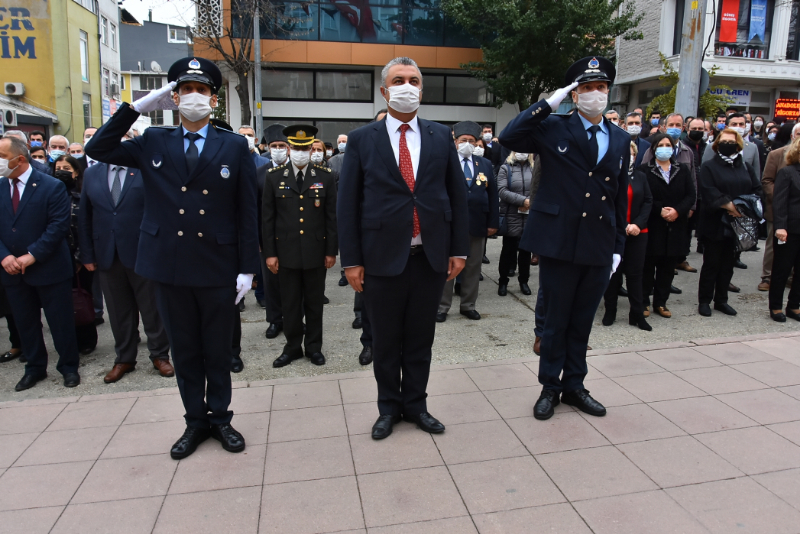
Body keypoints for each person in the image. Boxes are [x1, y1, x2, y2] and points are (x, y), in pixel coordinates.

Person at [85, 56, 260, 460]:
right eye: (185, 90)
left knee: (217, 349)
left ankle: (220, 418)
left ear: (213, 100)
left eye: (201, 90)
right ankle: (194, 422)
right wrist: (136, 109)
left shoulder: (232, 144)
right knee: (183, 349)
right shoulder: (153, 140)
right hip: (169, 263)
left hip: (217, 265)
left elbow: (246, 211)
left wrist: (247, 268)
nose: (193, 96)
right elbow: (98, 147)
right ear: (174, 97)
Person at [338, 57, 469, 440]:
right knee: (385, 340)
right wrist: (352, 261)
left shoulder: (439, 136)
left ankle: (416, 405)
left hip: (429, 258)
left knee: (420, 339)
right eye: (399, 80)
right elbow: (347, 205)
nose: (407, 86)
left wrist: (459, 248)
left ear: (422, 90)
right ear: (384, 90)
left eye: (414, 80)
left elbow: (456, 197)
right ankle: (388, 408)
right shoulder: (363, 139)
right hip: (380, 259)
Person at [499, 56, 629, 421]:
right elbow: (509, 136)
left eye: (601, 88)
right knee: (555, 321)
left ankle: (575, 386)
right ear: (574, 95)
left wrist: (618, 247)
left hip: (598, 243)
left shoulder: (619, 138)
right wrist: (547, 104)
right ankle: (549, 388)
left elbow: (619, 197)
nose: (595, 95)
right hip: (558, 240)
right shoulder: (553, 126)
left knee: (582, 321)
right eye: (586, 88)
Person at [78, 147, 174, 383]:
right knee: (118, 312)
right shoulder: (92, 174)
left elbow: (162, 209)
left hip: (144, 252)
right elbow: (85, 217)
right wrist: (87, 255)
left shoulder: (144, 170)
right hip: (107, 254)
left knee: (152, 309)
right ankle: (124, 358)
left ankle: (160, 355)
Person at [0, 136, 80, 391]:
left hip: (48, 268)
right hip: (12, 270)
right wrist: (4, 257)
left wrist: (31, 255)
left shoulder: (51, 186)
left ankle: (69, 367)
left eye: (2, 156)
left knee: (61, 321)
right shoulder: (1, 187)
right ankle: (35, 368)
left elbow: (57, 226)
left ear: (19, 159)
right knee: (25, 322)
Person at [263, 125, 338, 368]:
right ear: (288, 148)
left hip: (317, 252)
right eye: (296, 147)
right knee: (290, 304)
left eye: (305, 148)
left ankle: (314, 347)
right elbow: (267, 220)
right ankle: (293, 347)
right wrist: (270, 254)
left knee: (314, 303)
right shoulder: (273, 177)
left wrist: (331, 251)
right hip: (285, 253)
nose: (301, 152)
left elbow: (331, 217)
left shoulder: (325, 176)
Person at [437, 121, 498, 321]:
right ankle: (442, 307)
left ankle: (468, 304)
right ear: (455, 142)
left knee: (473, 267)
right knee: (447, 266)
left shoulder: (485, 165)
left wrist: (493, 222)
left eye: (472, 141)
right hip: (450, 225)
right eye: (464, 140)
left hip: (477, 223)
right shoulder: (445, 161)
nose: (468, 144)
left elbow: (492, 196)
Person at [697, 128, 762, 317]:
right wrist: (728, 206)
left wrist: (742, 207)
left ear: (738, 144)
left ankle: (721, 300)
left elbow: (756, 189)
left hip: (738, 224)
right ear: (717, 144)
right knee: (711, 264)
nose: (727, 145)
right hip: (715, 222)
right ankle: (704, 301)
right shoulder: (709, 166)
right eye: (723, 141)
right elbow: (708, 190)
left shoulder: (744, 167)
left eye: (731, 142)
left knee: (728, 264)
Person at [639, 134, 695, 319]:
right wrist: (660, 210)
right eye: (660, 145)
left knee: (667, 268)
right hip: (653, 224)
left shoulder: (683, 170)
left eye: (668, 145)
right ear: (654, 148)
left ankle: (661, 302)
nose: (665, 148)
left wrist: (677, 211)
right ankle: (644, 302)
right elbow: (643, 198)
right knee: (648, 267)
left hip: (676, 226)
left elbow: (690, 195)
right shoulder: (644, 171)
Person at [603, 141, 653, 330]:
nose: (627, 157)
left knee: (635, 274)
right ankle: (610, 311)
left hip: (638, 232)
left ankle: (637, 314)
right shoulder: (609, 177)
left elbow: (648, 201)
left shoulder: (641, 176)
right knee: (613, 274)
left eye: (630, 153)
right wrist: (621, 225)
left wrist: (637, 224)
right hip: (614, 232)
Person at [53, 155, 99, 354]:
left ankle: (87, 340)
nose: (62, 171)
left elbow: (86, 228)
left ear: (77, 171)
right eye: (58, 167)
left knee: (82, 297)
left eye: (66, 168)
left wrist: (81, 257)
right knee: (61, 303)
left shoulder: (82, 195)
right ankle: (67, 342)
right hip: (55, 257)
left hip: (79, 257)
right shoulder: (50, 194)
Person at [760, 123, 800, 292]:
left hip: (796, 213)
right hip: (777, 208)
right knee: (773, 244)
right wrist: (781, 196)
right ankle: (767, 277)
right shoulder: (777, 154)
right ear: (792, 136)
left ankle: (791, 277)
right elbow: (767, 180)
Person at [260, 124, 289, 339]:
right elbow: (253, 208)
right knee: (271, 283)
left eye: (282, 145)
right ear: (268, 147)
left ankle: (293, 319)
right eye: (274, 145)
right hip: (268, 237)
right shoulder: (259, 173)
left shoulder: (299, 171)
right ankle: (274, 320)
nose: (278, 149)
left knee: (293, 284)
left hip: (293, 236)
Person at [496, 151, 539, 296]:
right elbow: (502, 190)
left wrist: (529, 203)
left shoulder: (534, 167)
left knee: (525, 252)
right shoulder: (505, 168)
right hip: (511, 215)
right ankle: (503, 282)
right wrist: (522, 201)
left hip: (529, 216)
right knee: (508, 251)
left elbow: (539, 187)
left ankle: (524, 281)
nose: (523, 153)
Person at [769, 137, 800, 322]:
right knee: (782, 269)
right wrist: (780, 226)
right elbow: (779, 201)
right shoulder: (788, 172)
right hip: (789, 229)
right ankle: (776, 306)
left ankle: (794, 305)